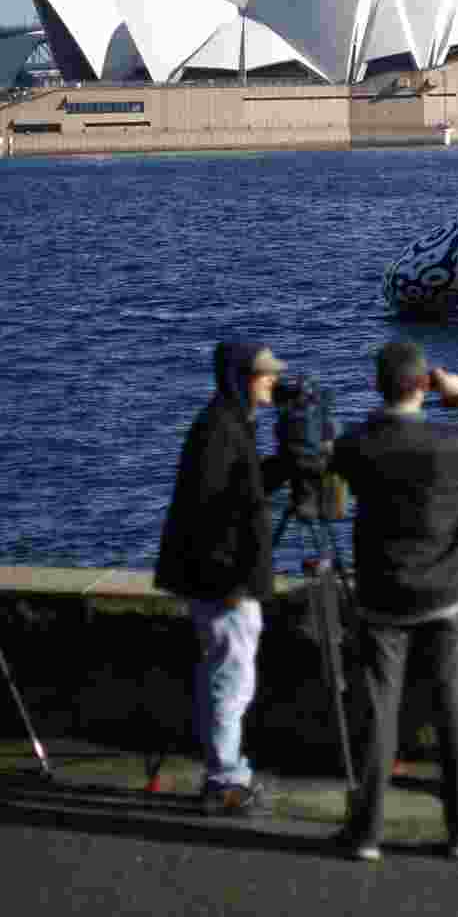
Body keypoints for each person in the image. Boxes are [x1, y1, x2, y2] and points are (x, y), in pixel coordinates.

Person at [331, 341, 458, 862]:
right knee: (456, 709)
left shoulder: (358, 445)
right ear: (424, 386)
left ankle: (364, 834)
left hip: (382, 594)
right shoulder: (449, 444)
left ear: (377, 385)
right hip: (448, 595)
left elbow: (336, 455)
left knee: (379, 712)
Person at [154, 340, 290, 816]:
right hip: (224, 582)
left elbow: (244, 489)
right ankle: (224, 780)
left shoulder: (231, 423)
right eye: (263, 373)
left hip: (222, 577)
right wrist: (230, 583)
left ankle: (228, 770)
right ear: (239, 377)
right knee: (231, 680)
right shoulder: (219, 431)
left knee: (228, 676)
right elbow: (209, 512)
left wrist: (286, 463)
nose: (272, 379)